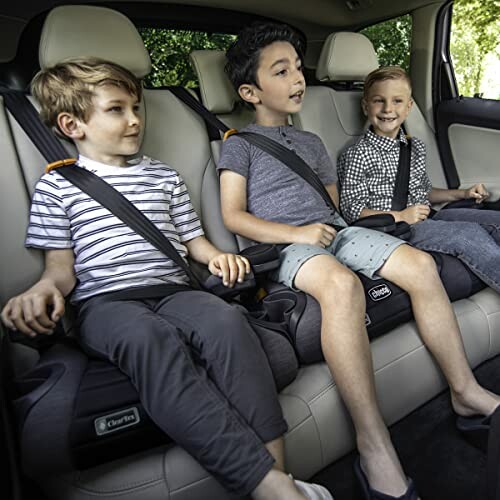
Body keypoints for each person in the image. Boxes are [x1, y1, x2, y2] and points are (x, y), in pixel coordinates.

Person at [0, 57, 333, 500]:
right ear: (72, 124)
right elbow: (59, 270)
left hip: (175, 290)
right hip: (107, 303)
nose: (135, 119)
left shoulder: (164, 176)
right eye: (116, 110)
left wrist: (219, 258)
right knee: (149, 340)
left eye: (136, 108)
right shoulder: (58, 185)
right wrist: (42, 290)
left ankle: (278, 472)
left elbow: (195, 243)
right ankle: (269, 486)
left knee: (227, 323)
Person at [218, 22, 500, 500]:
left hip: (336, 230)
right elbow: (234, 216)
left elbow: (335, 206)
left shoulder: (311, 144)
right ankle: (375, 443)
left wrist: (371, 223)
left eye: (297, 69)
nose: (297, 79)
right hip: (286, 246)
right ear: (250, 91)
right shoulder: (238, 145)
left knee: (419, 265)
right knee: (342, 287)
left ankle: (465, 392)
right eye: (281, 71)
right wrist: (298, 233)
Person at [337, 65, 500, 293]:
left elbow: (424, 191)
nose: (387, 109)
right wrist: (400, 216)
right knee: (467, 235)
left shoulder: (414, 147)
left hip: (427, 216)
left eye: (397, 101)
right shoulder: (357, 154)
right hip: (394, 229)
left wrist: (463, 194)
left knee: (495, 221)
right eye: (378, 101)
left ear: (409, 107)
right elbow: (351, 210)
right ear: (366, 106)